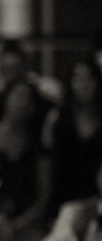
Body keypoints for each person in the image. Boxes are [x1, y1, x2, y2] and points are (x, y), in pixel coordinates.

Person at [0, 79, 52, 241]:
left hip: (24, 228)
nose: (22, 103)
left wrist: (16, 226)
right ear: (7, 98)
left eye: (28, 99)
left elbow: (43, 197)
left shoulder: (36, 146)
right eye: (18, 96)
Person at [43, 59, 102, 218]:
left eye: (89, 78)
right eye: (78, 79)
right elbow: (45, 165)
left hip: (95, 202)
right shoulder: (56, 119)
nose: (84, 85)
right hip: (61, 199)